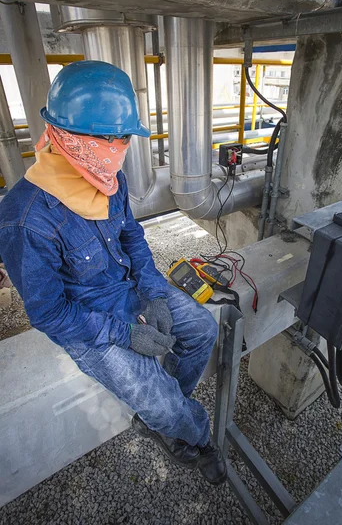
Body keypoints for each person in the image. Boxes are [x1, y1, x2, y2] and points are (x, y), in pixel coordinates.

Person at [0, 60, 226, 485]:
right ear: (69, 137)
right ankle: (194, 436)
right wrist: (126, 336)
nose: (121, 147)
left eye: (125, 137)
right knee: (159, 400)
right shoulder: (24, 218)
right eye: (113, 137)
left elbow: (132, 238)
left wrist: (154, 292)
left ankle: (168, 414)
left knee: (202, 331)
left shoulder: (106, 176)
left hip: (127, 289)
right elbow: (50, 315)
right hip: (85, 320)